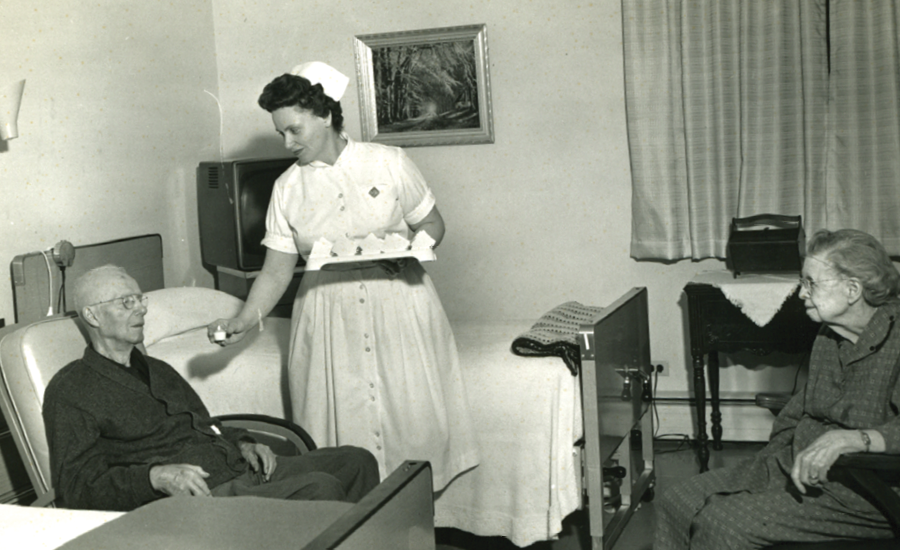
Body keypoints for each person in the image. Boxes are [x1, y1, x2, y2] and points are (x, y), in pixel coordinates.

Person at [206, 61, 478, 490]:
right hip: (328, 316)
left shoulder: (389, 162)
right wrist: (243, 320)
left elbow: (433, 225)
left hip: (399, 304)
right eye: (281, 133)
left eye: (295, 129)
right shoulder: (287, 187)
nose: (288, 141)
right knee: (344, 436)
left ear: (327, 115)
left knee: (410, 421)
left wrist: (410, 252)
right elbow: (277, 271)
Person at [43, 265, 379, 512]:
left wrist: (244, 442)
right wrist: (154, 477)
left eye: (140, 299)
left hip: (238, 468)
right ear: (92, 315)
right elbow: (75, 489)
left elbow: (205, 426)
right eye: (125, 302)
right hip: (199, 499)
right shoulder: (72, 390)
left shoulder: (158, 370)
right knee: (321, 489)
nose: (141, 308)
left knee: (357, 461)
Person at [655, 228, 900, 549]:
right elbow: (804, 404)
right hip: (794, 464)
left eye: (811, 282)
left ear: (852, 289)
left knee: (721, 523)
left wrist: (853, 439)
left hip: (867, 489)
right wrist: (773, 456)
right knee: (676, 499)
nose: (801, 293)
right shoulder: (828, 334)